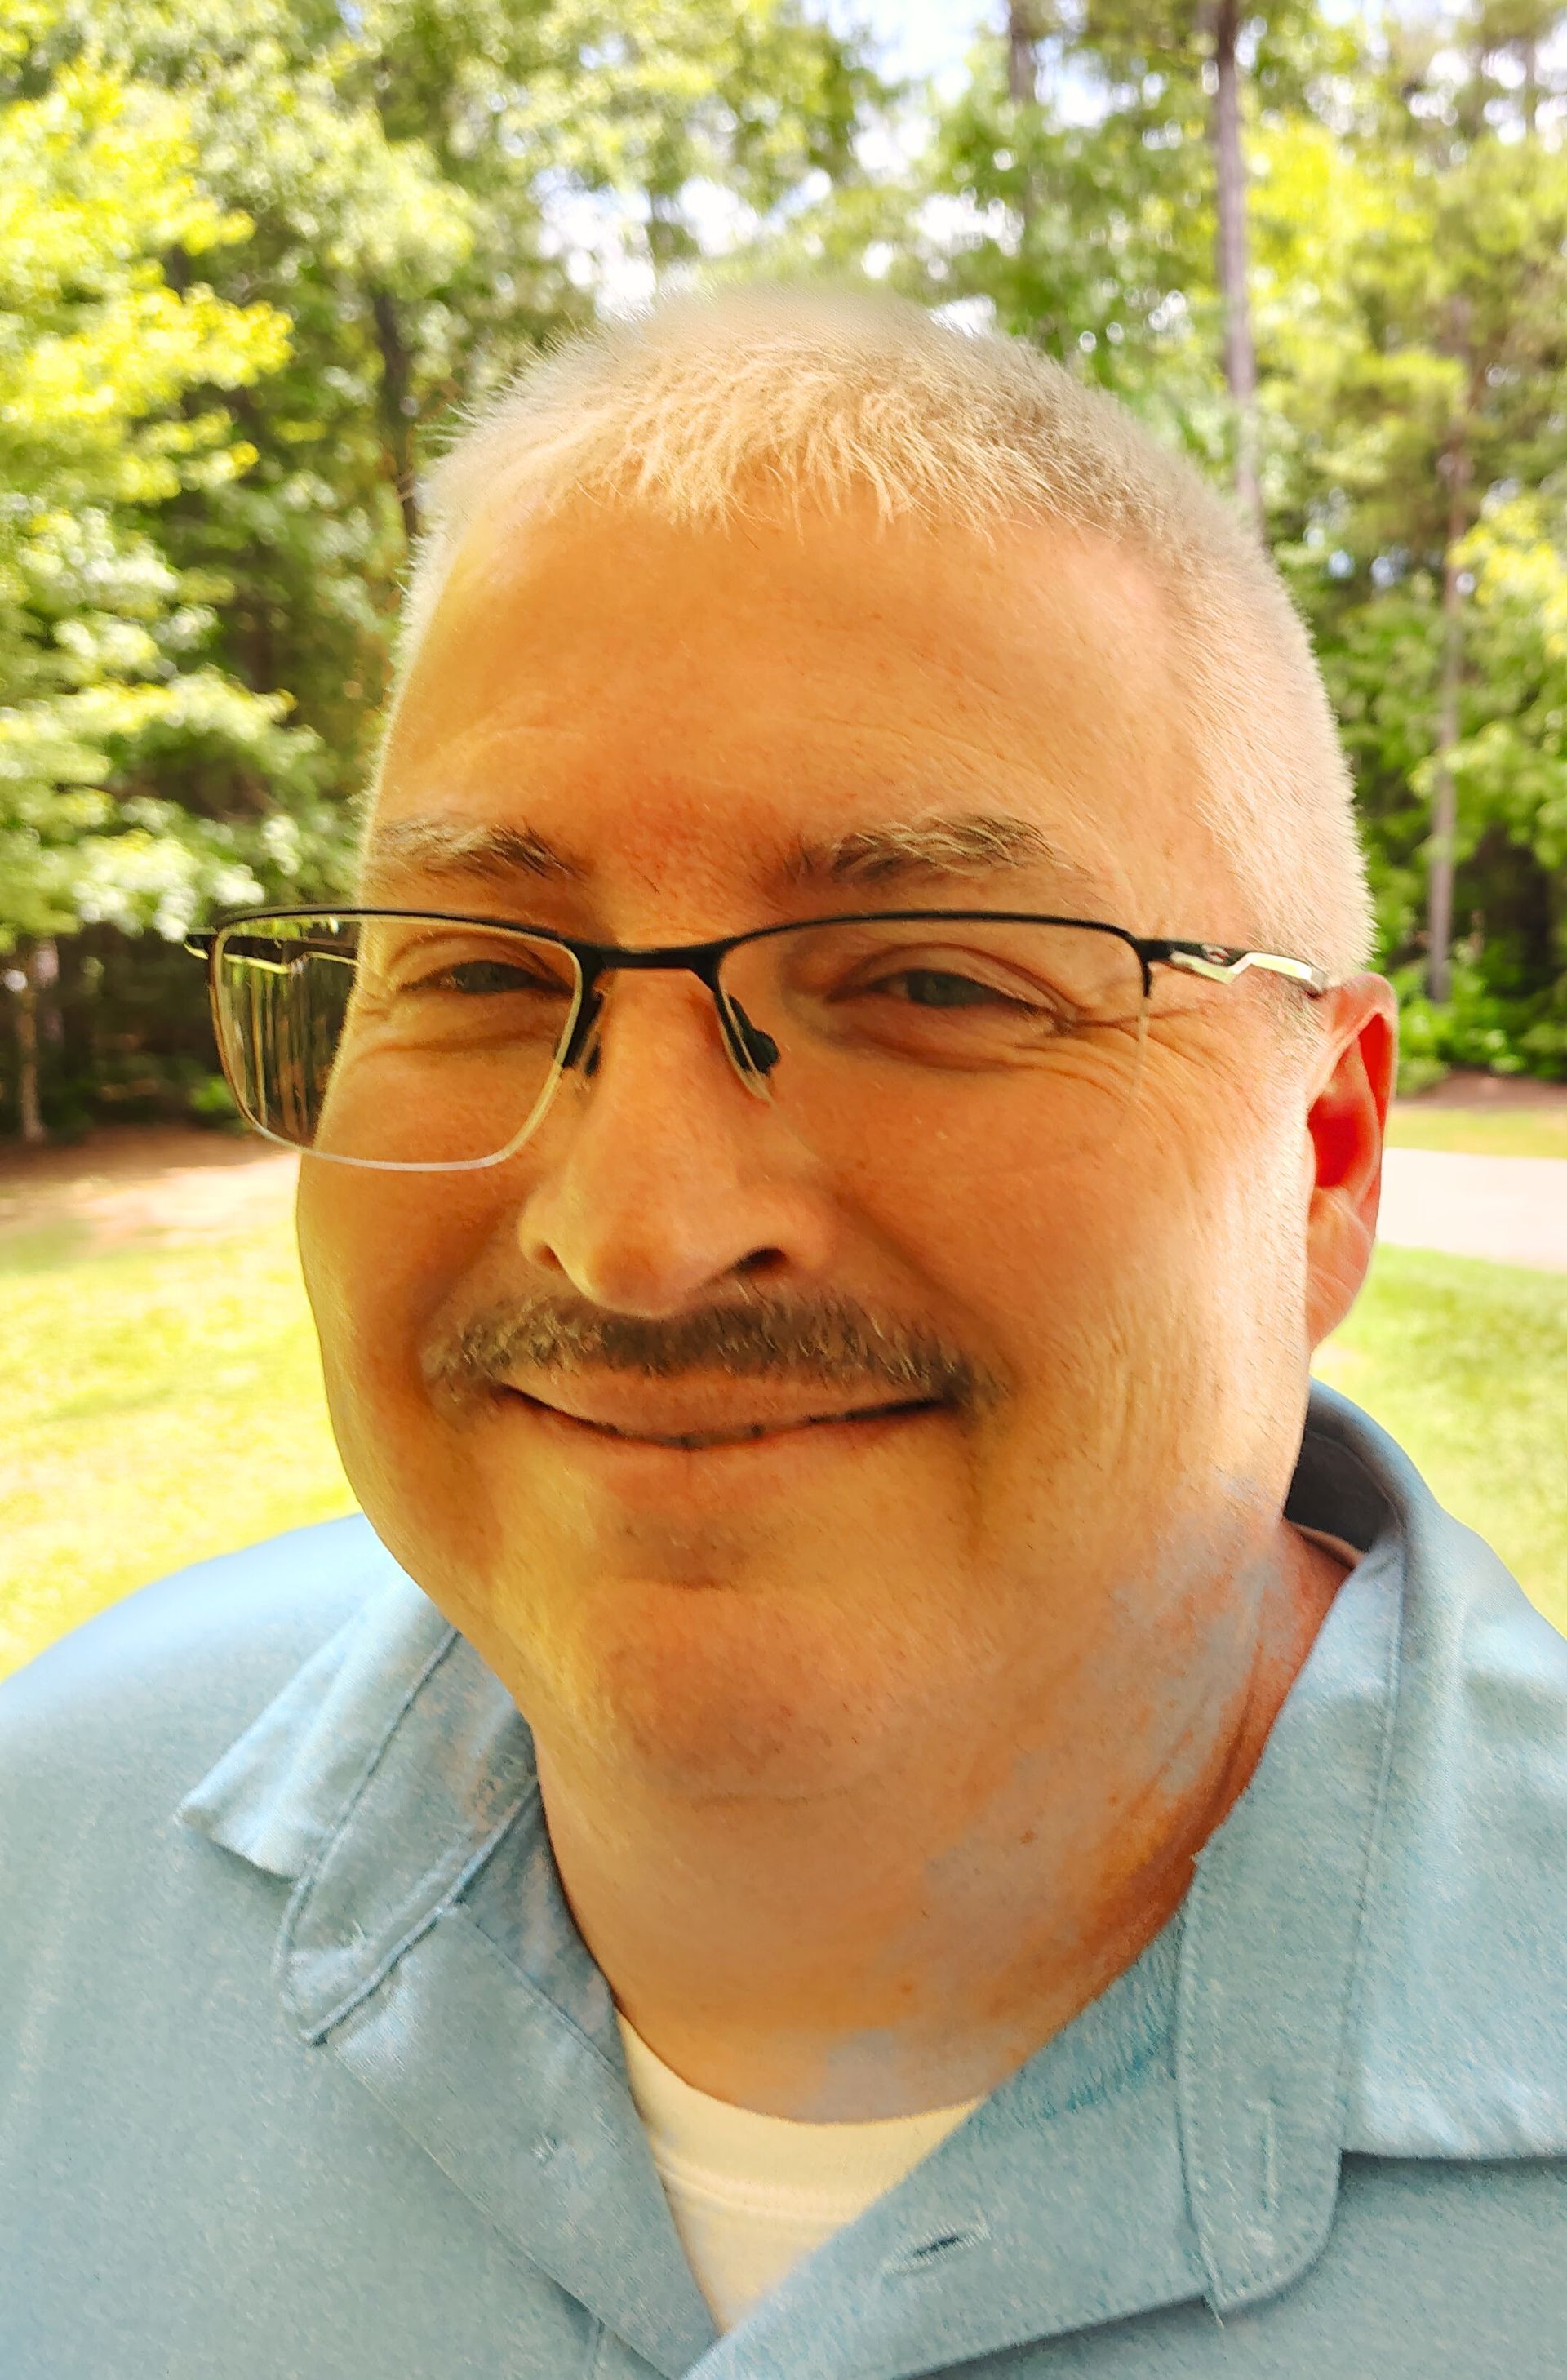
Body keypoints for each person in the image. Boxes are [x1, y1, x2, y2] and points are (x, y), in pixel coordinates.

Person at [3, 285, 1565, 2380]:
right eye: (473, 969)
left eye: (935, 979)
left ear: (1327, 1161)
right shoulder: (54, 1858)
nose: (639, 1234)